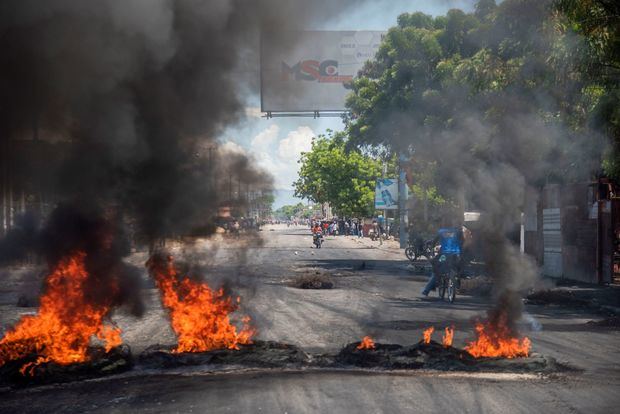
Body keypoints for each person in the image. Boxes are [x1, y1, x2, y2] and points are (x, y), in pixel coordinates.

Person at [421, 226, 464, 296]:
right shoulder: (458, 232)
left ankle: (426, 290)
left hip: (444, 255)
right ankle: (457, 283)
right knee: (457, 268)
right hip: (456, 255)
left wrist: (431, 250)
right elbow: (462, 242)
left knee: (436, 269)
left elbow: (433, 242)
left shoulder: (442, 231)